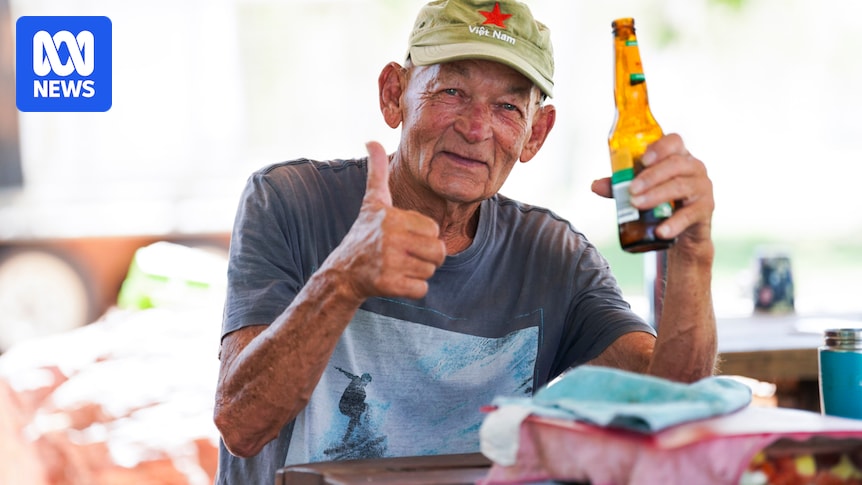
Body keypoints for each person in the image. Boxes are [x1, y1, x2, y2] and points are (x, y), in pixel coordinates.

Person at [213, 0, 717, 482]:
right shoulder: (290, 201)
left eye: (507, 107)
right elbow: (241, 425)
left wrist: (692, 254)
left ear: (535, 134)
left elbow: (675, 407)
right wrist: (342, 280)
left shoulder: (555, 257)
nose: (476, 129)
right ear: (394, 94)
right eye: (451, 91)